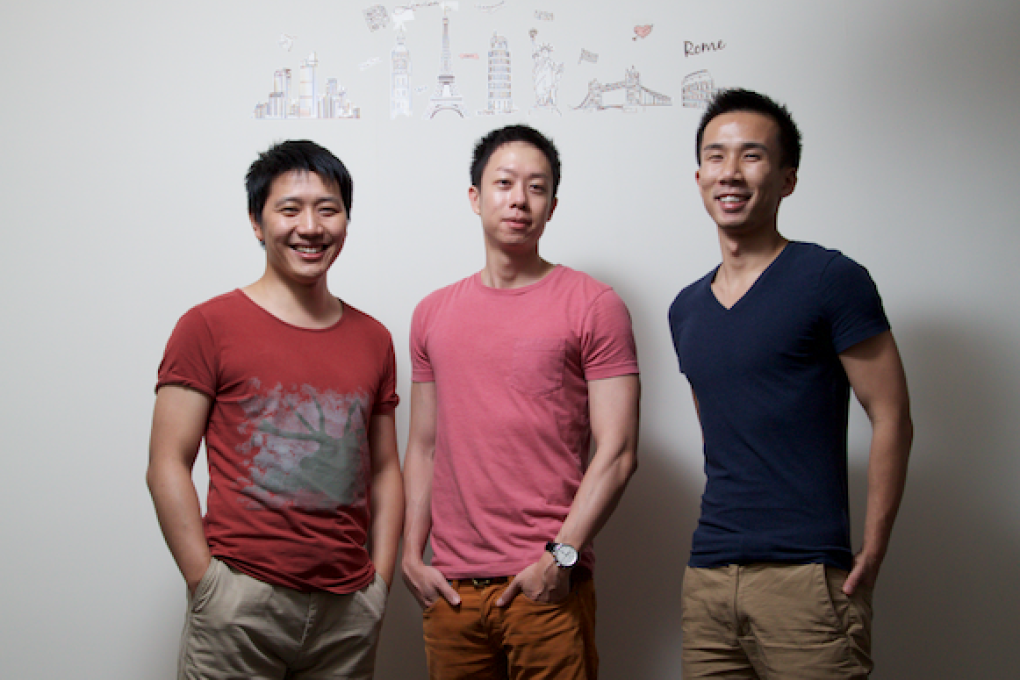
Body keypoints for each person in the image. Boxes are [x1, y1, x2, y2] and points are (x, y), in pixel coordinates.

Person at [669, 88, 913, 678]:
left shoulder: (830, 279)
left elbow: (892, 417)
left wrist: (874, 548)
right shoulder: (686, 308)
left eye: (751, 155)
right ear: (699, 176)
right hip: (707, 579)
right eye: (716, 156)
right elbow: (718, 436)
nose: (730, 171)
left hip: (805, 579)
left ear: (787, 179)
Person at [146, 140, 403, 680]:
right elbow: (167, 462)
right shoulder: (207, 326)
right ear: (257, 222)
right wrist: (206, 583)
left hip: (347, 611)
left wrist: (378, 585)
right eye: (290, 209)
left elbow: (384, 469)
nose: (310, 227)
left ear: (346, 221)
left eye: (328, 209)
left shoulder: (375, 339)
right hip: (240, 604)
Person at [402, 124, 641, 680]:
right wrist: (411, 557)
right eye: (504, 183)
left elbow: (619, 452)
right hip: (451, 592)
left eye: (536, 188)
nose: (519, 199)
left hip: (546, 586)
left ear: (552, 207)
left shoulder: (593, 304)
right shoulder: (432, 313)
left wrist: (561, 558)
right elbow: (424, 446)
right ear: (475, 197)